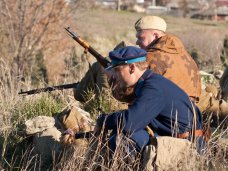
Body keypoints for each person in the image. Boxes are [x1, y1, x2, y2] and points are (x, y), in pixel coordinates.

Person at [95, 46, 205, 154]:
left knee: (121, 139)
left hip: (188, 147)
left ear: (132, 68)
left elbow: (130, 123)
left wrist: (104, 120)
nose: (114, 75)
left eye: (117, 70)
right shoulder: (150, 82)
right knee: (120, 132)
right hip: (175, 140)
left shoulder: (154, 88)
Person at [135, 15, 201, 102]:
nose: (137, 42)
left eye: (140, 38)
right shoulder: (186, 56)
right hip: (194, 110)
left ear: (155, 36)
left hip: (167, 111)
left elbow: (132, 92)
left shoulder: (150, 57)